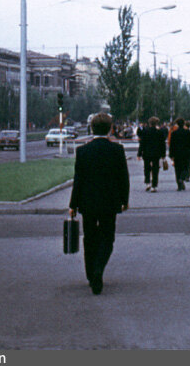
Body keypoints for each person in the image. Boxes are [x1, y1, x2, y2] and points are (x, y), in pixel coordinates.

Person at [68, 112, 129, 295]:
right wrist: (124, 200)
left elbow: (78, 180)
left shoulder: (83, 151)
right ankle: (98, 270)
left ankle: (90, 273)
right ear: (110, 128)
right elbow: (123, 178)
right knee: (107, 238)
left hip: (87, 202)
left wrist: (73, 205)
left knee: (89, 238)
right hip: (110, 201)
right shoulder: (117, 150)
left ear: (91, 128)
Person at [136, 116, 166, 192]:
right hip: (156, 153)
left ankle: (147, 183)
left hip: (147, 153)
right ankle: (154, 186)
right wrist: (163, 155)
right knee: (155, 169)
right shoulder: (159, 132)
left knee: (146, 168)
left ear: (149, 123)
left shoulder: (145, 132)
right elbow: (162, 145)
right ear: (156, 124)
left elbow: (142, 144)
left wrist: (139, 154)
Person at [169, 117, 190, 191]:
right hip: (187, 153)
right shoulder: (188, 132)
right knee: (186, 167)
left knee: (177, 169)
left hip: (177, 153)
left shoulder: (174, 133)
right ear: (184, 124)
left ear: (177, 124)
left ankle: (179, 185)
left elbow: (172, 145)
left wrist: (171, 155)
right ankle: (182, 178)